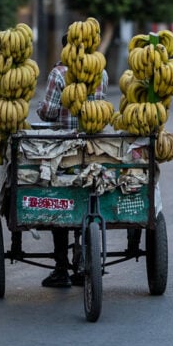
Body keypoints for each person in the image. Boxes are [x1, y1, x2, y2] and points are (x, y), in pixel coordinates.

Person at [35, 33, 108, 288]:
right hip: (96, 149)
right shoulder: (101, 71)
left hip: (65, 152)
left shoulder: (59, 74)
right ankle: (87, 258)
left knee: (61, 200)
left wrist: (42, 110)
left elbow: (48, 112)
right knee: (89, 198)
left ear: (66, 48)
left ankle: (61, 268)